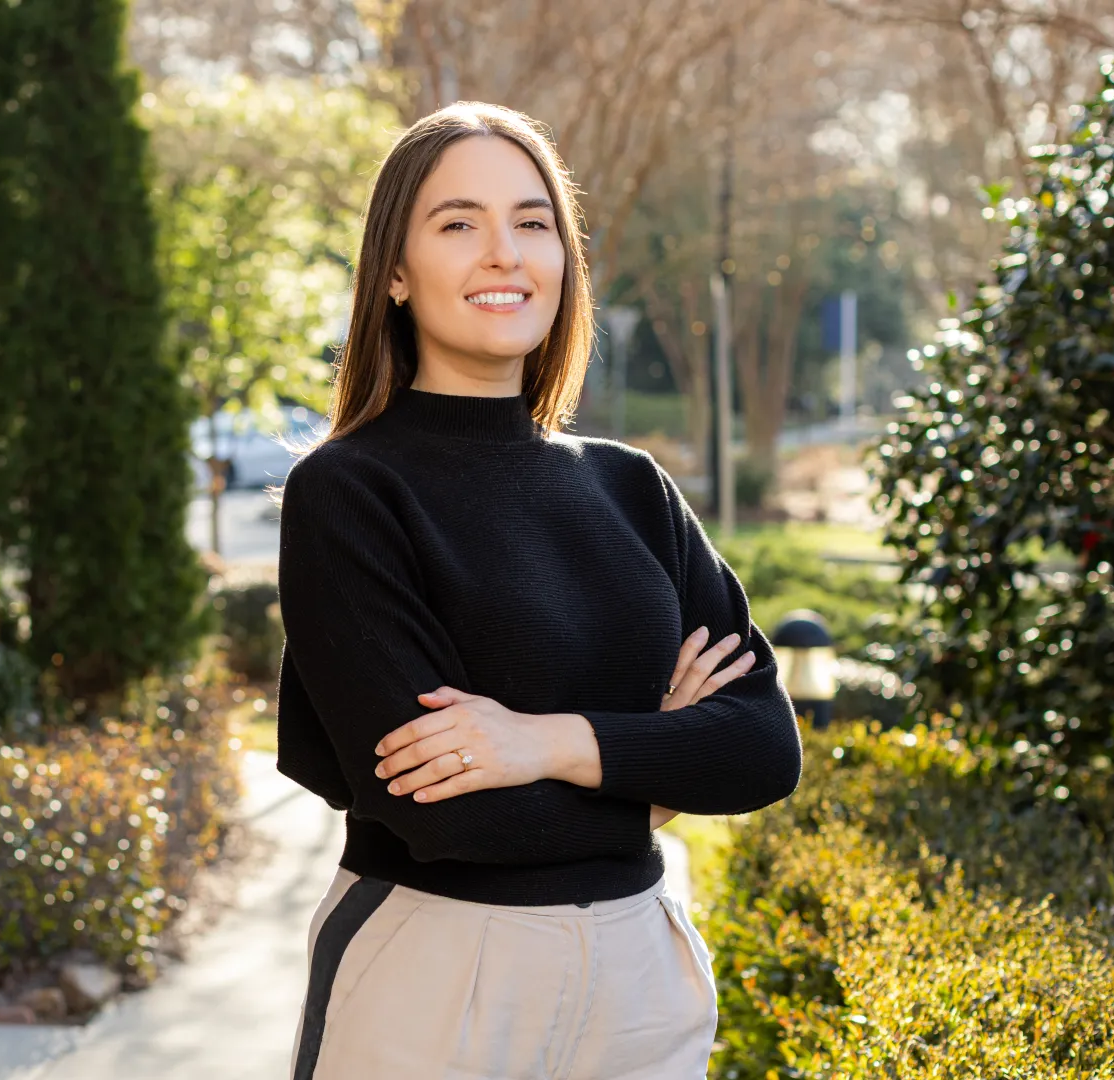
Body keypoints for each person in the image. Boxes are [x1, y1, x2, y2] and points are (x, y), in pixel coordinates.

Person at [273, 101, 804, 1079]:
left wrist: (543, 742)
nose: (504, 254)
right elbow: (446, 815)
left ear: (565, 260)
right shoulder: (349, 492)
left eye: (532, 222)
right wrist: (657, 771)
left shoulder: (631, 487)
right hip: (440, 975)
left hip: (641, 975)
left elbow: (763, 748)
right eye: (457, 223)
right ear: (394, 271)